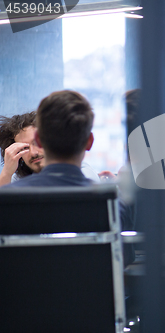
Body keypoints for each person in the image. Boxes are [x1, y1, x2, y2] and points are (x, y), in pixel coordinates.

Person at [2, 90, 135, 265]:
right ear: (89, 142)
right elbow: (122, 263)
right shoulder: (113, 205)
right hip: (92, 292)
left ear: (39, 142)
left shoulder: (8, 202)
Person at [0, 111, 100, 186]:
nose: (33, 153)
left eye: (37, 143)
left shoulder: (80, 172)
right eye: (24, 148)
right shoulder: (19, 178)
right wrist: (6, 173)